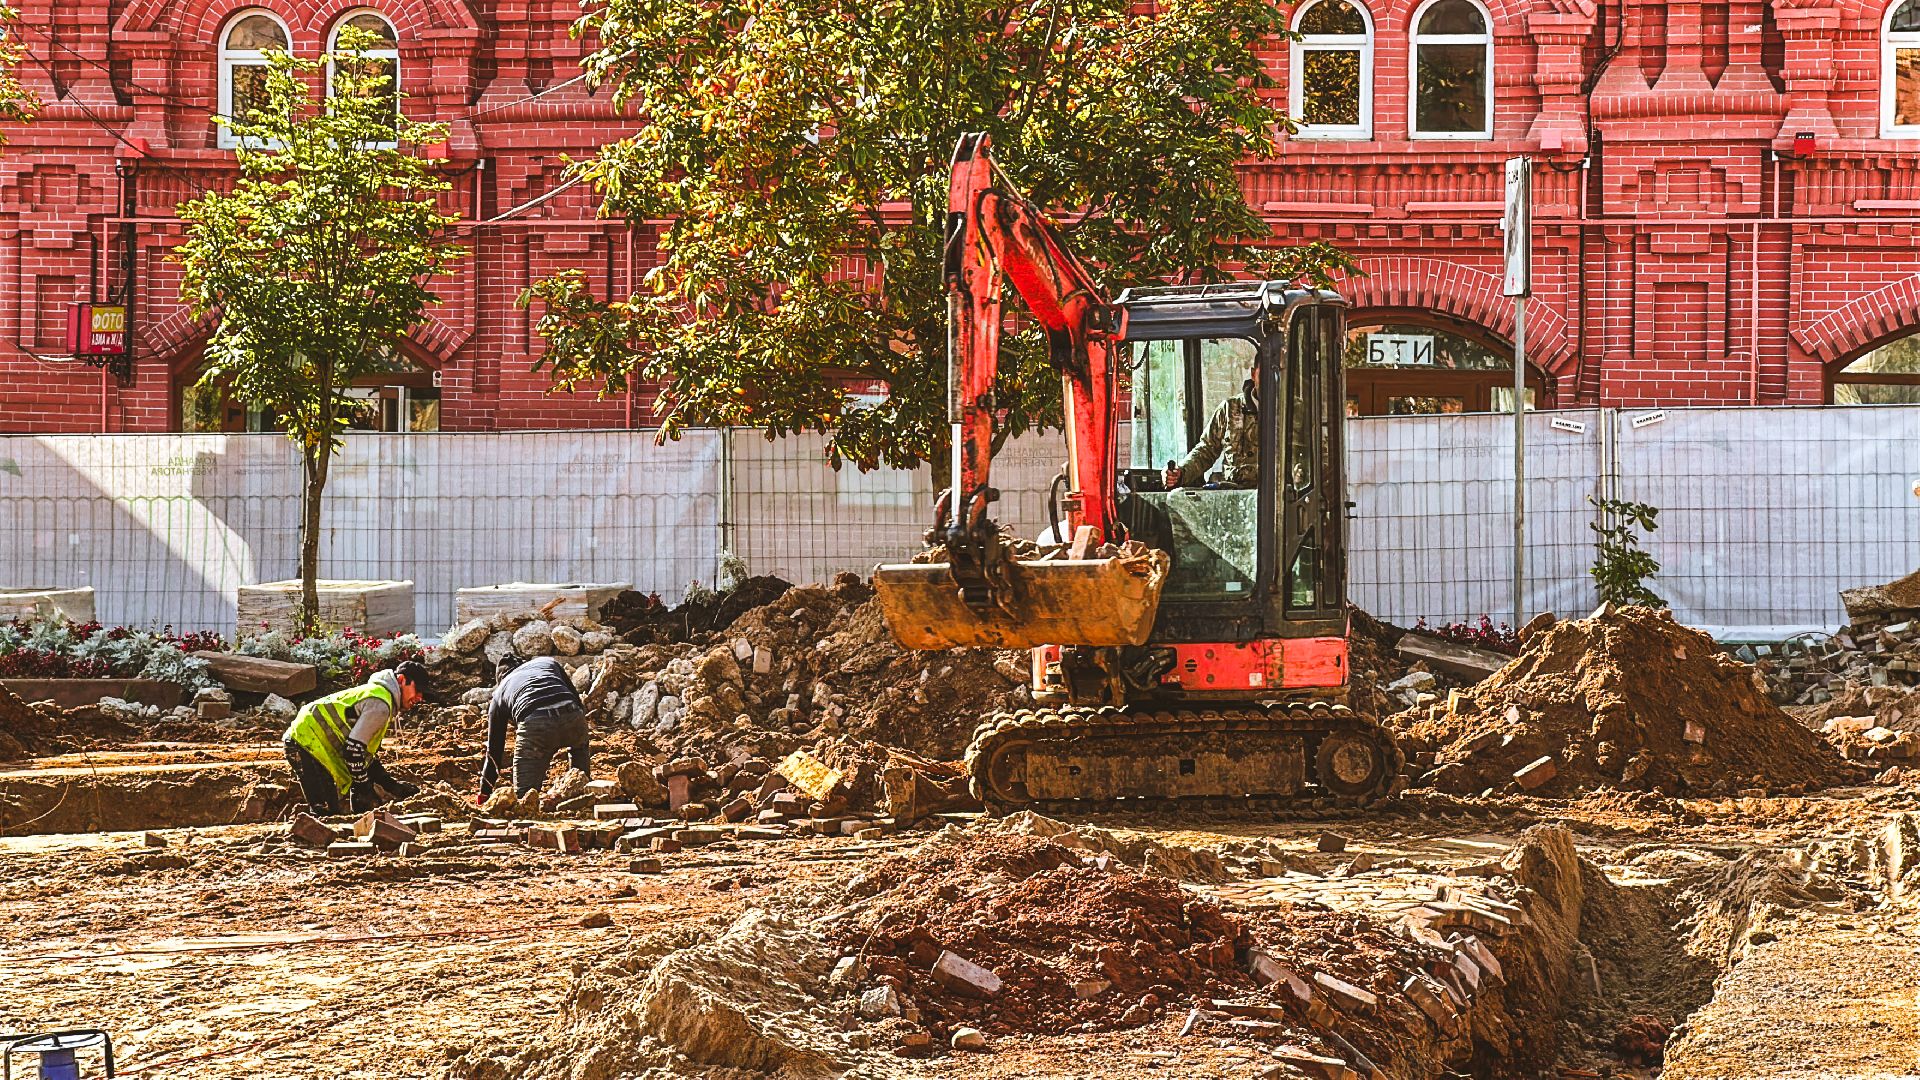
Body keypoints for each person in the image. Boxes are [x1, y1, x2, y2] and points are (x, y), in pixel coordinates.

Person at [283, 660, 427, 815]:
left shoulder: (379, 696)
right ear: (401, 680)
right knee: (324, 813)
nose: (420, 698)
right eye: (417, 690)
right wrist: (363, 787)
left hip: (307, 739)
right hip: (305, 741)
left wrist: (390, 785)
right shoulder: (380, 704)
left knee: (329, 811)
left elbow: (363, 756)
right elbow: (352, 751)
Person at [478, 651, 591, 803]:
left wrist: (484, 795)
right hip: (573, 716)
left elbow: (494, 753)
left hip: (536, 726)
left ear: (500, 678)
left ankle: (527, 809)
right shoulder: (547, 662)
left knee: (525, 800)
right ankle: (583, 794)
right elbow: (577, 701)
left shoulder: (500, 692)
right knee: (580, 759)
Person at [1164, 358, 1261, 489]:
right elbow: (1206, 450)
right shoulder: (1230, 409)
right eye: (1264, 375)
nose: (1270, 382)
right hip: (1236, 498)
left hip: (1280, 499)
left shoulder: (1294, 412)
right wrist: (1180, 472)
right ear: (1253, 374)